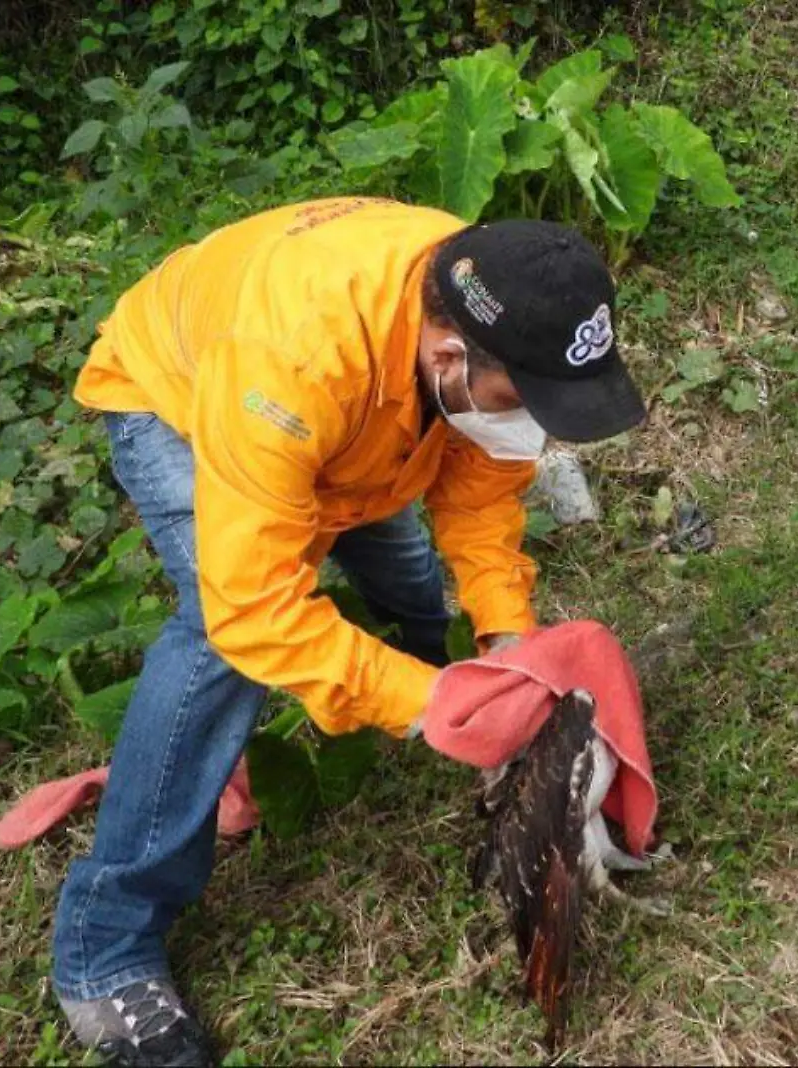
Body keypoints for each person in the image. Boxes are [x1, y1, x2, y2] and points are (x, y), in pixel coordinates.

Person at [52, 198, 647, 1067]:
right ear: (447, 357)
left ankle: (418, 691)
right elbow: (256, 609)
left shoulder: (488, 297)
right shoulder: (295, 362)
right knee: (222, 641)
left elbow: (480, 497)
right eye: (527, 399)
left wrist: (508, 641)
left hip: (345, 417)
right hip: (184, 398)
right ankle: (103, 947)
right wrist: (427, 701)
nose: (538, 425)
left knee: (406, 578)